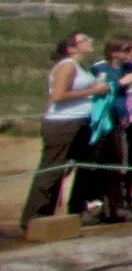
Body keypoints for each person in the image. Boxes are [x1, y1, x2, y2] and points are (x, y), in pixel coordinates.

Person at [21, 31, 108, 229]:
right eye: (85, 40)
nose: (90, 41)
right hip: (62, 123)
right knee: (51, 171)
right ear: (71, 48)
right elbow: (58, 95)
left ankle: (73, 209)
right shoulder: (67, 66)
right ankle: (34, 217)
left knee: (79, 167)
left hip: (80, 121)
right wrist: (93, 91)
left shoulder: (80, 66)